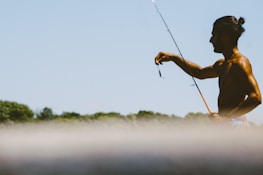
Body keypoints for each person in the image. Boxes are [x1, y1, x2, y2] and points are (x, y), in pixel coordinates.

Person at [154, 16, 261, 125]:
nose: (211, 40)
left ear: (225, 36)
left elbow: (256, 97)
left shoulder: (240, 64)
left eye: (214, 35)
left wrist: (226, 118)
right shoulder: (222, 65)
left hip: (235, 124)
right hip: (227, 123)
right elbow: (198, 73)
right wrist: (173, 57)